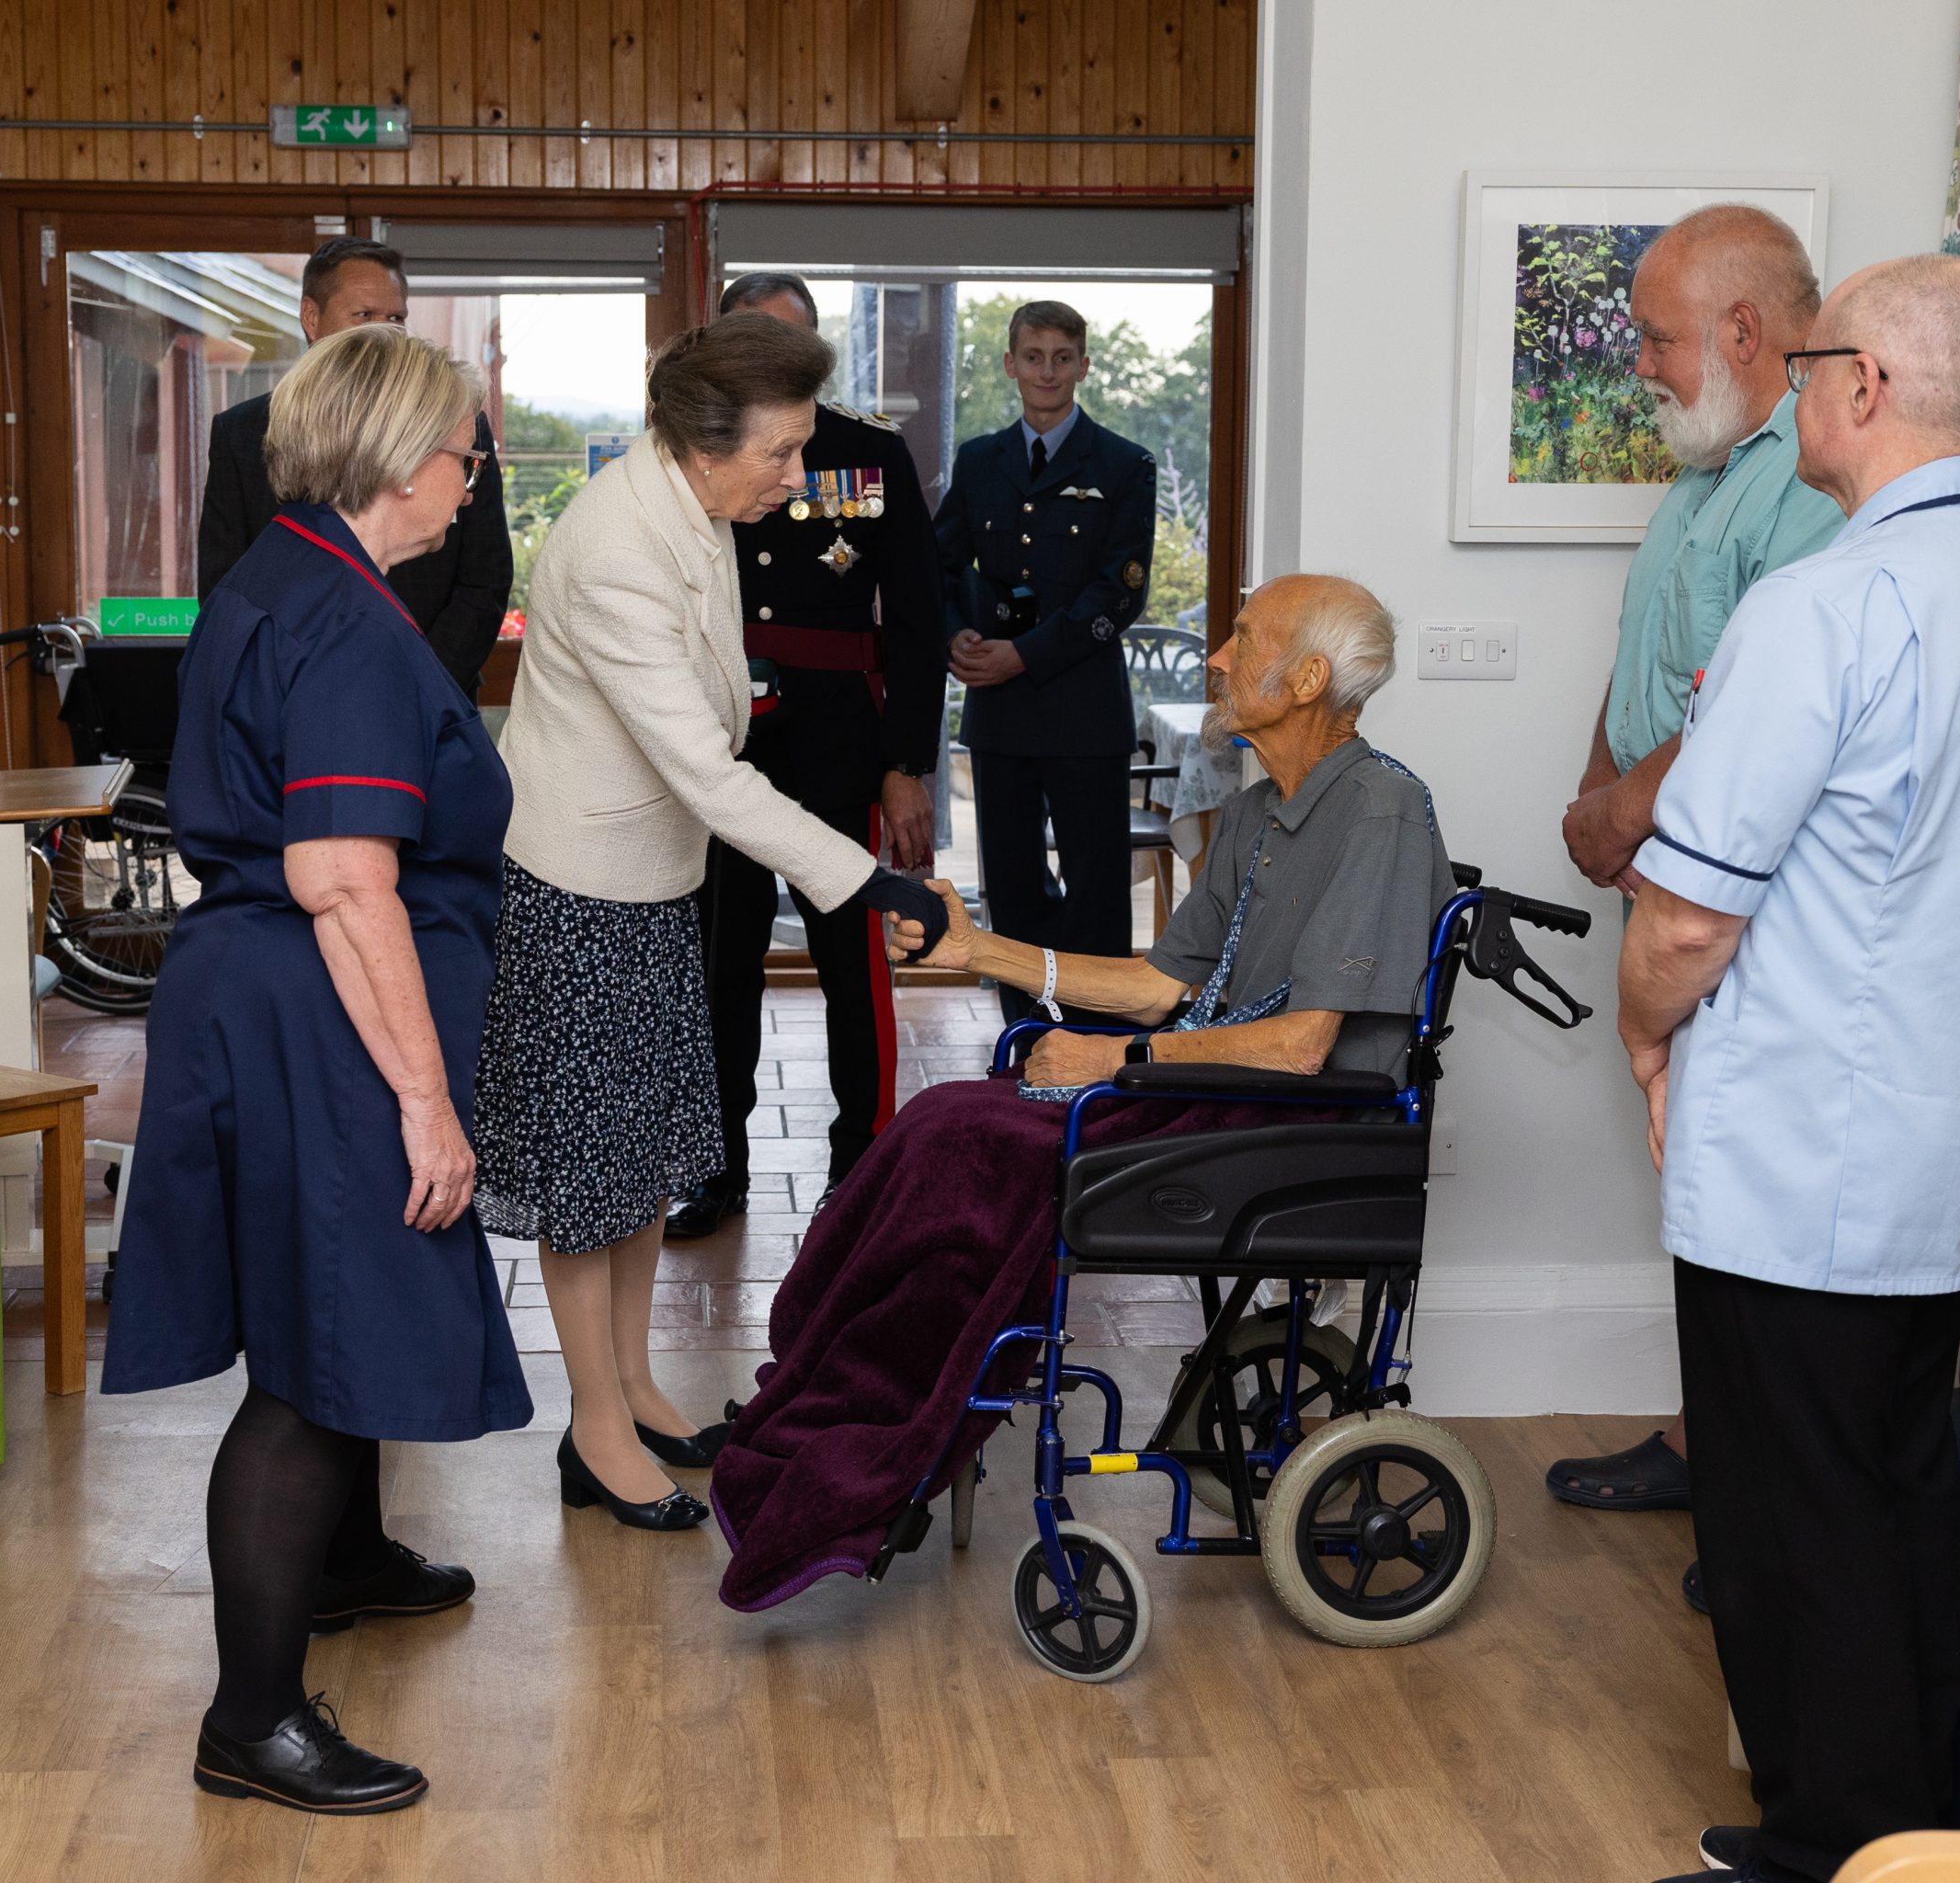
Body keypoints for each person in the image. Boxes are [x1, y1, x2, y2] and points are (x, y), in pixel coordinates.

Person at [711, 574, 1459, 1612]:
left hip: (1287, 1116)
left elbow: (1300, 1046)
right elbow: (1161, 984)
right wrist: (981, 947)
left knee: (966, 1150)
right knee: (943, 1117)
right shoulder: (1258, 811)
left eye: (1243, 638)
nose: (1215, 656)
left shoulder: (1379, 808)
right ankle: (827, 1388)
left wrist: (1111, 1065)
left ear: (1310, 678)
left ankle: (867, 1427)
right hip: (1209, 1092)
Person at [1623, 256, 1960, 1883]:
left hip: (1801, 1146)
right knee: (1895, 1496)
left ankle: (1828, 1847)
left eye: (1813, 359)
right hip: (1939, 1150)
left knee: (1786, 1525)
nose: (1799, 385)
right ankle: (1918, 1837)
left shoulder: (1824, 603)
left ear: (1864, 387)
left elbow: (1685, 908)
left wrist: (1641, 1028)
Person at [100, 325, 530, 1815]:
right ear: (408, 455)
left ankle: (349, 1559)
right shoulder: (348, 625)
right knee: (319, 1351)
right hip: (323, 1009)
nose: (475, 482)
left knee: (324, 1310)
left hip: (260, 995)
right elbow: (349, 881)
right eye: (469, 452)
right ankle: (257, 1717)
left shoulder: (282, 572)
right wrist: (425, 1096)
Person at [473, 312, 933, 1532]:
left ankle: (634, 1389)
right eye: (782, 452)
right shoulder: (621, 546)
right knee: (590, 1175)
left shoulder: (698, 510)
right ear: (703, 438)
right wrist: (865, 877)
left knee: (632, 1166)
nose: (798, 474)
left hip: (647, 877)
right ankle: (595, 1431)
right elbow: (703, 768)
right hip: (580, 887)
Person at [1544, 206, 1845, 1585]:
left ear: (1742, 332)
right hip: (1665, 867)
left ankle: (1754, 1493)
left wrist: (1629, 806)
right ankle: (1711, 1443)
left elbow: (1758, 696)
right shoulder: (1702, 470)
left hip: (1753, 904)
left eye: (1659, 338)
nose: (1644, 368)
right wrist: (1598, 788)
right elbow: (1651, 659)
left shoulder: (1816, 482)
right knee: (1701, 1178)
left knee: (1759, 1202)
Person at [666, 272, 948, 1239]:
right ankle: (717, 1167)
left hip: (840, 734)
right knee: (719, 958)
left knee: (851, 958)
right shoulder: (695, 454)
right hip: (725, 736)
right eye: (754, 340)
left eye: (789, 344)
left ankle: (861, 1167)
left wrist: (906, 758)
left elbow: (915, 618)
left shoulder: (865, 453)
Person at [935, 300, 1157, 1023]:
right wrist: (955, 636)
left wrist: (1022, 656)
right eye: (1033, 356)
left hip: (1084, 710)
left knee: (1094, 887)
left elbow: (1119, 592)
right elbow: (936, 569)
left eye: (1063, 357)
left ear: (1084, 366)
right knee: (1013, 884)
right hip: (1000, 716)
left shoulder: (1124, 465)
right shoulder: (978, 461)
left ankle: (1093, 1036)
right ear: (1010, 364)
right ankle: (1026, 1033)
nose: (1048, 372)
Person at [197, 236, 513, 699]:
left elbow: (485, 580)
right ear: (311, 317)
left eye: (396, 318)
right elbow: (226, 588)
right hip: (293, 696)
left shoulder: (460, 424)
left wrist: (414, 681)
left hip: (435, 690)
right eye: (364, 316)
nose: (384, 332)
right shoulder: (243, 433)